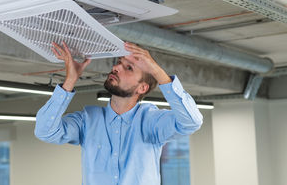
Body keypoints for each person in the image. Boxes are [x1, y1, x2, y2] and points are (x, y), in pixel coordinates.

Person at [34, 41, 203, 185]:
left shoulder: (151, 121)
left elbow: (191, 122)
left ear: (142, 88)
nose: (115, 67)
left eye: (128, 68)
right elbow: (45, 131)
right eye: (118, 62)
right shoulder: (87, 120)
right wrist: (70, 80)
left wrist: (157, 72)